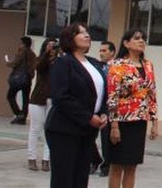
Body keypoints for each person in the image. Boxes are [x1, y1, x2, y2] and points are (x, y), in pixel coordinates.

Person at [45, 22, 108, 188]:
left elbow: (102, 92)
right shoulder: (63, 63)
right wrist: (88, 117)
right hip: (64, 129)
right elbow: (61, 97)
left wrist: (103, 113)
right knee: (64, 179)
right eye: (81, 33)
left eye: (87, 32)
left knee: (80, 178)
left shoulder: (94, 63)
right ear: (69, 39)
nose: (87, 35)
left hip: (87, 130)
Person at [107, 29, 158, 188]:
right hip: (121, 122)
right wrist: (114, 126)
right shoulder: (117, 65)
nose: (141, 41)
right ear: (126, 43)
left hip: (139, 121)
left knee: (132, 166)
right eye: (137, 38)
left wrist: (154, 123)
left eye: (143, 38)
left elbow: (152, 94)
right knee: (117, 166)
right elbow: (112, 96)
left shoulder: (148, 65)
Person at [27, 38, 58, 172]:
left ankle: (46, 159)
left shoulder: (60, 62)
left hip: (53, 99)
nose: (51, 48)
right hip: (38, 99)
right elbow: (39, 67)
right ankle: (31, 158)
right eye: (48, 46)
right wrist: (46, 54)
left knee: (49, 130)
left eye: (54, 46)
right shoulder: (41, 59)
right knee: (35, 129)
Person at [6, 36, 37, 125]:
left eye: (20, 43)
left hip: (18, 78)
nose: (19, 45)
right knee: (25, 99)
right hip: (27, 79)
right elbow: (33, 67)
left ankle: (19, 114)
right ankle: (23, 117)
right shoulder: (33, 54)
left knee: (10, 96)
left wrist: (8, 62)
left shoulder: (21, 53)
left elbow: (14, 63)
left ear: (24, 44)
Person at [96, 40, 116, 178]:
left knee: (105, 137)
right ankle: (94, 160)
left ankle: (106, 165)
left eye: (104, 51)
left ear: (112, 52)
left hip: (108, 106)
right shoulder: (97, 66)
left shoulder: (115, 68)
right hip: (95, 104)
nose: (101, 53)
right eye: (100, 51)